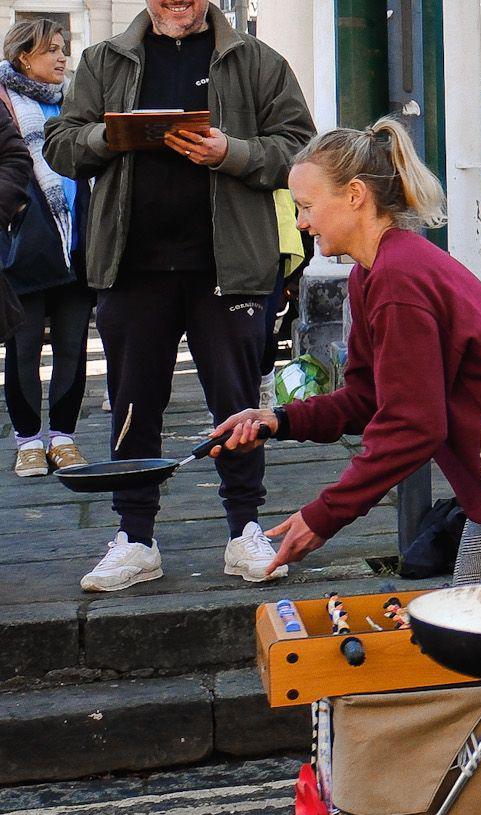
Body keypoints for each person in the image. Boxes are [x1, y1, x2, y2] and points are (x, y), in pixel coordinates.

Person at [206, 122, 481, 585]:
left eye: (306, 207)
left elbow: (413, 425)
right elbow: (371, 397)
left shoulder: (398, 278)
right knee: (475, 644)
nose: (300, 223)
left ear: (355, 195)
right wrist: (279, 420)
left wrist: (325, 515)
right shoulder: (373, 273)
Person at [45, 0, 315, 592]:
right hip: (131, 266)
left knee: (239, 406)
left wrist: (232, 153)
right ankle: (135, 538)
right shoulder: (103, 60)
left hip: (231, 267)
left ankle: (245, 529)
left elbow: (301, 148)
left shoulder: (257, 61)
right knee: (132, 405)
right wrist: (111, 137)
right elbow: (60, 144)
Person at [2, 18, 91, 480]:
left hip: (76, 243)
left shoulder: (75, 103)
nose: (62, 58)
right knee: (24, 349)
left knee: (74, 346)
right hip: (26, 248)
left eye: (64, 49)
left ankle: (64, 438)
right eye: (51, 51)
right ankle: (27, 442)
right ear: (23, 58)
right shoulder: (3, 102)